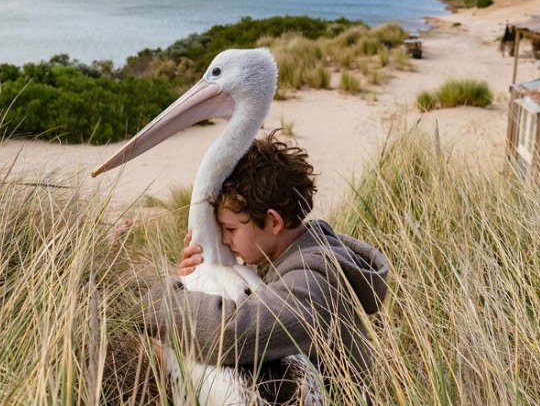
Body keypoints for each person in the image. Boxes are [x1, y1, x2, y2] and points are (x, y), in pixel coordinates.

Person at [141, 131, 389, 401]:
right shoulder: (295, 254)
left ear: (273, 221)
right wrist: (196, 275)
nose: (224, 239)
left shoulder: (312, 282)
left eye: (230, 228)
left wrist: (162, 301)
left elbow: (234, 334)